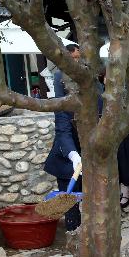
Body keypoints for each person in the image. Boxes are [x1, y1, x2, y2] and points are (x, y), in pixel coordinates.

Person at [44, 43, 83, 231]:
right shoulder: (62, 101)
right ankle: (72, 233)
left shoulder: (94, 92)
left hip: (92, 157)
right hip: (67, 157)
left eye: (78, 59)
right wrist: (73, 155)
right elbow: (63, 131)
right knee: (70, 202)